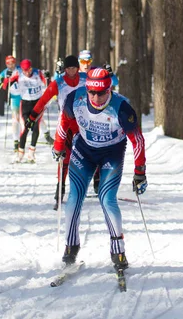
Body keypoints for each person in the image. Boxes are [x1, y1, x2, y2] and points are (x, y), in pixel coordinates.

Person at [53, 67, 147, 271]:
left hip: (111, 153)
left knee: (107, 199)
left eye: (101, 92)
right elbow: (64, 122)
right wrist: (59, 146)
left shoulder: (121, 108)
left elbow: (137, 140)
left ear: (109, 89)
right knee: (74, 197)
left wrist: (140, 171)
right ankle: (71, 246)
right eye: (91, 92)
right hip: (84, 150)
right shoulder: (74, 99)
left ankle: (118, 249)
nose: (96, 97)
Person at [24, 55, 87, 209]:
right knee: (63, 158)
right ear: (64, 69)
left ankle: (94, 184)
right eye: (68, 68)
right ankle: (61, 187)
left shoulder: (86, 79)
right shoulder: (58, 83)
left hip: (83, 124)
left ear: (77, 68)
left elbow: (103, 85)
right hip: (64, 124)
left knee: (88, 156)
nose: (71, 71)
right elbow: (43, 100)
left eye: (73, 68)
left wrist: (108, 75)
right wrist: (32, 116)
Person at [78, 49, 119, 194]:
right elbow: (60, 81)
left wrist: (110, 74)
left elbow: (114, 82)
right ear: (79, 62)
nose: (86, 64)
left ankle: (97, 179)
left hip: (96, 115)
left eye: (88, 61)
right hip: (78, 114)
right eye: (83, 61)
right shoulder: (74, 73)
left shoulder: (97, 72)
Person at [2, 59, 48, 162]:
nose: (27, 72)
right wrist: (7, 78)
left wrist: (47, 77)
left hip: (38, 104)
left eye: (29, 69)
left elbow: (48, 83)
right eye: (25, 70)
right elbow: (5, 86)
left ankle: (31, 154)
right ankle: (20, 154)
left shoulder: (38, 73)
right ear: (22, 69)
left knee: (36, 128)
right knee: (26, 127)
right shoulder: (18, 74)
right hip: (26, 104)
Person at [0, 55, 22, 151]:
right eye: (8, 63)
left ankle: (23, 139)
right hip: (14, 98)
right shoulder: (5, 72)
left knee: (23, 120)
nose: (11, 65)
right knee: (15, 121)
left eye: (12, 63)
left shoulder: (20, 70)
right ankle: (15, 142)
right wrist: (2, 79)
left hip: (23, 97)